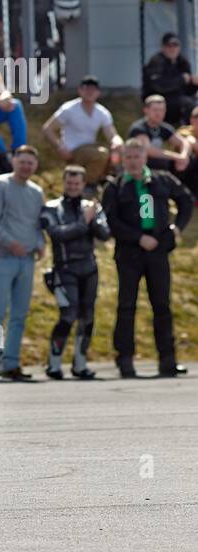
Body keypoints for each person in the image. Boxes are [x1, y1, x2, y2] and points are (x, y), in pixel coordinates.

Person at [103, 140, 194, 377]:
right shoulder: (115, 186)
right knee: (126, 306)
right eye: (129, 157)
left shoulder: (162, 179)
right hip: (129, 253)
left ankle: (168, 360)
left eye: (137, 156)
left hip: (158, 250)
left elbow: (185, 200)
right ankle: (125, 360)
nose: (133, 161)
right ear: (123, 159)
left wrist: (176, 229)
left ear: (145, 158)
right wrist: (137, 238)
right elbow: (112, 220)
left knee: (162, 306)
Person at [0, 145, 45, 380]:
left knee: (19, 314)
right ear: (14, 161)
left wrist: (40, 243)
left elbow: (38, 224)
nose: (26, 166)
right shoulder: (0, 185)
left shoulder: (36, 192)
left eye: (30, 162)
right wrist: (10, 242)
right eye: (22, 161)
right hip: (2, 257)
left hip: (26, 260)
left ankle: (11, 363)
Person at [39, 166, 111, 380]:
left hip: (89, 269)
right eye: (69, 183)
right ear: (63, 183)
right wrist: (83, 222)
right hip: (64, 270)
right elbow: (57, 234)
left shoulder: (91, 207)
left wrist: (93, 219)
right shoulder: (51, 208)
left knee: (87, 317)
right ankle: (54, 364)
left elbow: (105, 234)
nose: (72, 187)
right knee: (68, 315)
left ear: (83, 184)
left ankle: (80, 364)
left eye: (77, 183)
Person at [41, 75, 124, 187]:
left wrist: (117, 143)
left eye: (93, 89)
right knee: (101, 154)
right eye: (86, 89)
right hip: (72, 151)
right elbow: (48, 128)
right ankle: (87, 185)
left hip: (90, 149)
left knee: (119, 151)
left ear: (98, 93)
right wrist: (60, 147)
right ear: (80, 91)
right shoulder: (69, 109)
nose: (90, 92)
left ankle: (113, 184)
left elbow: (112, 134)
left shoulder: (102, 112)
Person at [142, 32, 197, 127]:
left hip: (179, 99)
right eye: (169, 46)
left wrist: (194, 84)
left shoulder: (183, 62)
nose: (173, 49)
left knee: (191, 103)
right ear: (163, 47)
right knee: (187, 104)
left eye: (175, 45)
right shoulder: (156, 61)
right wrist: (181, 79)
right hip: (159, 99)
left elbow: (188, 91)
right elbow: (159, 86)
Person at [128, 94, 192, 174]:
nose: (159, 113)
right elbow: (148, 150)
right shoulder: (138, 128)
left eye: (162, 110)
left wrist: (184, 156)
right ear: (146, 110)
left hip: (163, 164)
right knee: (160, 162)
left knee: (191, 161)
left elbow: (184, 142)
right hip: (143, 167)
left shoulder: (164, 127)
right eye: (155, 110)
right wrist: (177, 157)